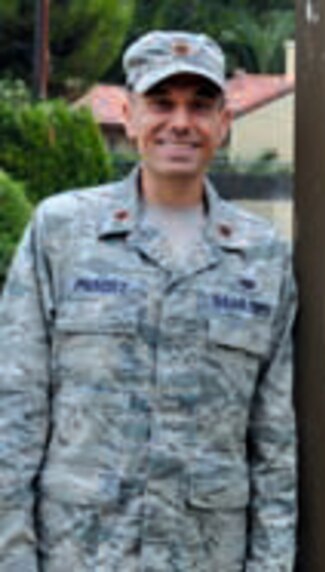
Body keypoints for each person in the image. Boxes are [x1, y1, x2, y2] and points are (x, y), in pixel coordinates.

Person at [0, 31, 297, 571]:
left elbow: (274, 444)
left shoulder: (262, 256)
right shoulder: (63, 233)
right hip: (81, 554)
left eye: (200, 105)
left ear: (223, 124)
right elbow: (13, 412)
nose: (180, 122)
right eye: (162, 103)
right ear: (130, 115)